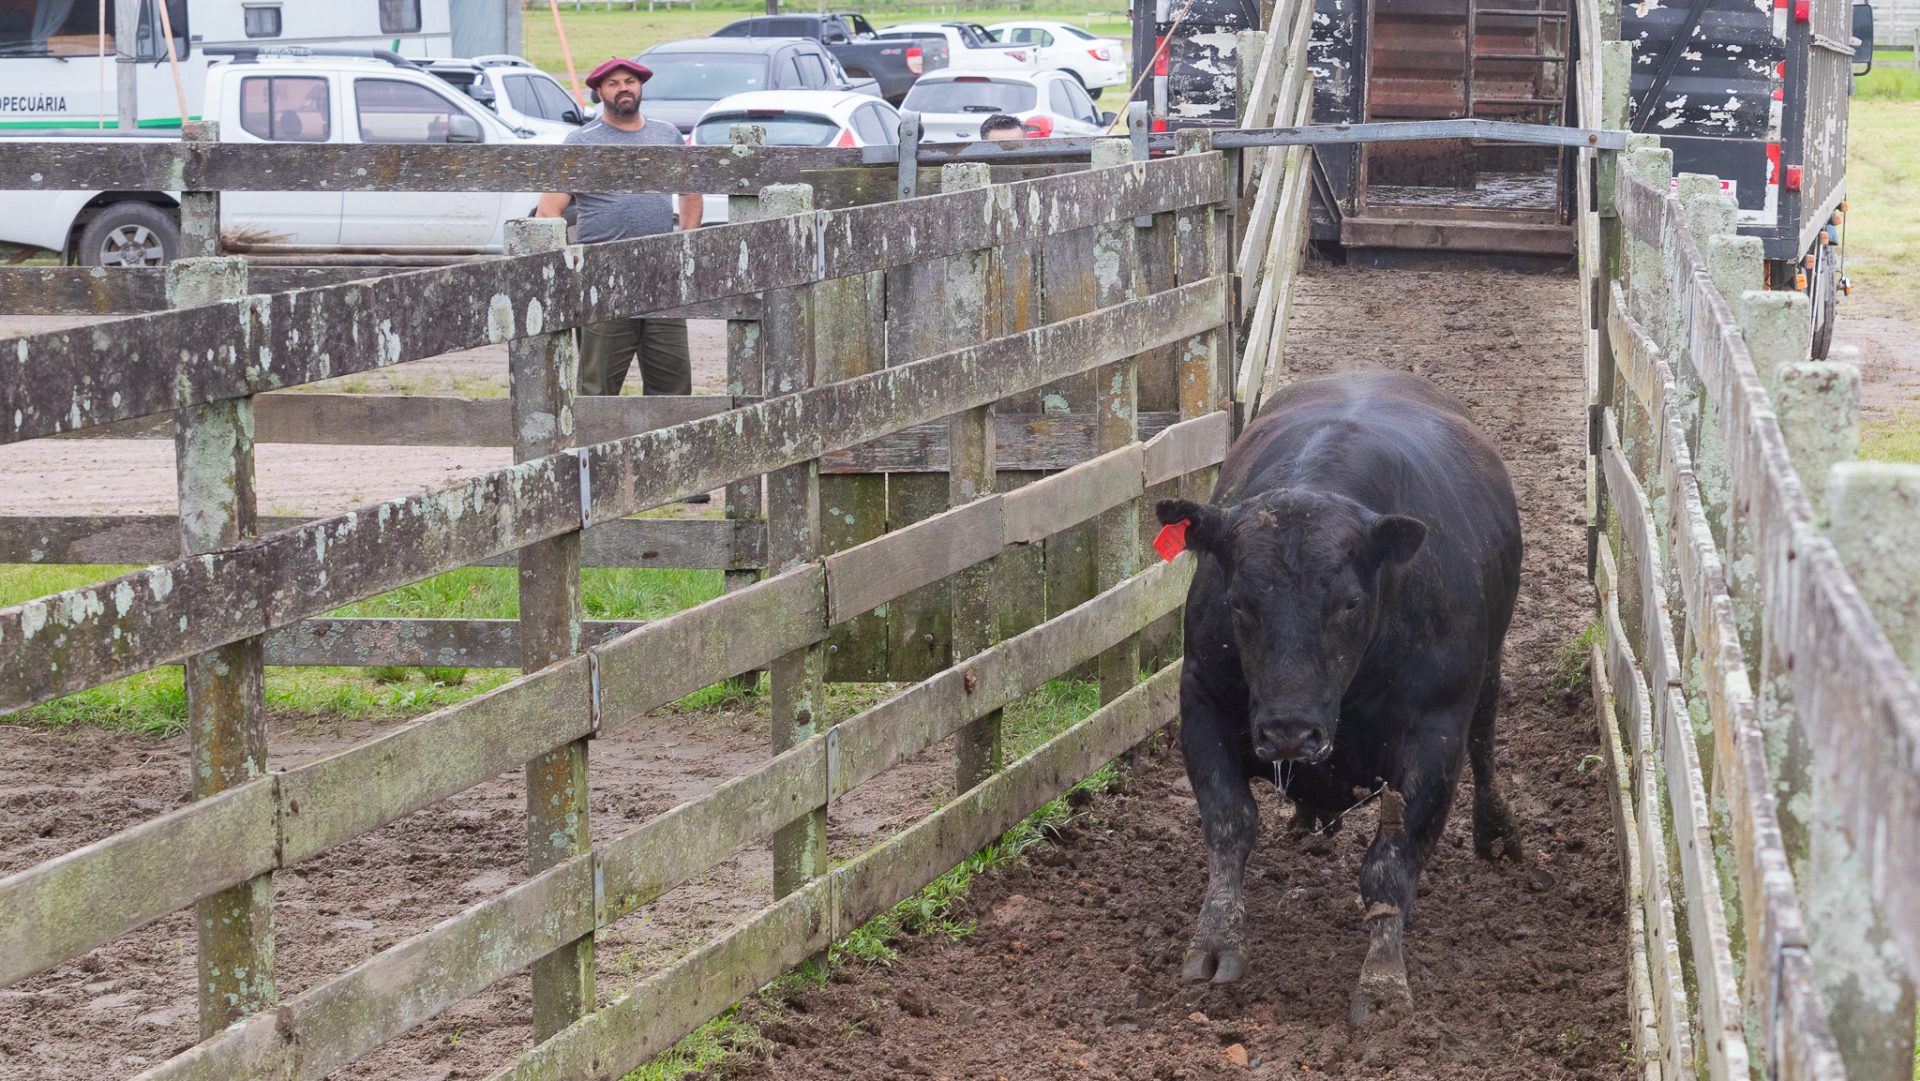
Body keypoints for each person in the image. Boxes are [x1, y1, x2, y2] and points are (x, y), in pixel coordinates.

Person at [536, 58, 704, 400]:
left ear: (641, 87)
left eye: (630, 81)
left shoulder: (666, 134)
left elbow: (690, 191)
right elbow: (548, 210)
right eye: (613, 84)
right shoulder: (581, 142)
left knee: (672, 384)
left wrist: (685, 246)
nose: (623, 88)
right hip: (602, 278)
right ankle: (591, 453)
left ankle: (667, 452)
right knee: (597, 386)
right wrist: (569, 268)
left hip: (662, 276)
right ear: (599, 92)